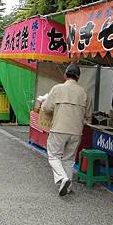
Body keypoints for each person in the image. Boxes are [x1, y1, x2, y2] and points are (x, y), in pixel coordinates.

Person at [41, 63, 92, 196]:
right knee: (69, 159)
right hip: (76, 131)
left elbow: (46, 108)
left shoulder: (57, 88)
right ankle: (67, 186)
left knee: (53, 156)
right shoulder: (84, 93)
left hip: (59, 128)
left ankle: (62, 178)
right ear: (78, 77)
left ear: (65, 75)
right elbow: (88, 115)